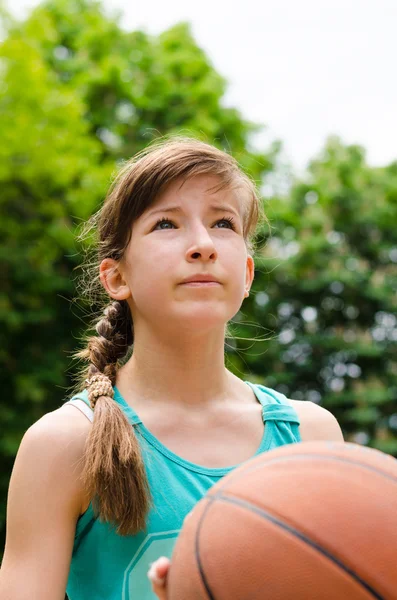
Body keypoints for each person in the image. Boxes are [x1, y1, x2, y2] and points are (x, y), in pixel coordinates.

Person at [0, 138, 344, 600]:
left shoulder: (312, 437)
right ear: (116, 277)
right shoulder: (63, 445)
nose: (202, 244)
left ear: (247, 273)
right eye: (166, 223)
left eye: (223, 222)